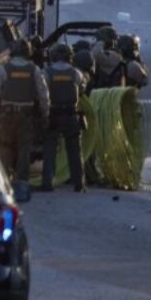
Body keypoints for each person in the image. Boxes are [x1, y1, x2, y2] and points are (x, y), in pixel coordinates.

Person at [0, 40, 49, 197]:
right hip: (26, 115)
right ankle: (22, 185)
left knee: (5, 148)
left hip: (7, 115)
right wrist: (44, 113)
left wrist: (1, 104)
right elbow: (43, 94)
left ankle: (3, 183)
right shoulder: (34, 69)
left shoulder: (3, 69)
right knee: (24, 149)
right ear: (28, 52)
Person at [40, 42, 87, 193]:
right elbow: (82, 89)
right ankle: (79, 183)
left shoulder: (46, 72)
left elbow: (42, 92)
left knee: (50, 150)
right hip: (71, 115)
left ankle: (48, 182)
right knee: (75, 151)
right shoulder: (76, 73)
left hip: (53, 114)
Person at [89, 25, 123, 89]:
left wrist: (100, 42)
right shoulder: (107, 54)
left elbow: (94, 55)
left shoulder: (115, 56)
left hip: (107, 93)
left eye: (98, 40)